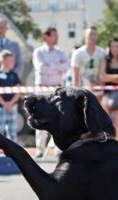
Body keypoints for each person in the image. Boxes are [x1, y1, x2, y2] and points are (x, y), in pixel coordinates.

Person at [32, 27, 69, 157]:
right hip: (42, 88)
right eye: (54, 35)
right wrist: (57, 68)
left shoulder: (61, 52)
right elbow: (41, 68)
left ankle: (58, 148)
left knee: (58, 119)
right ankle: (40, 149)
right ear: (46, 37)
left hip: (57, 88)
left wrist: (52, 68)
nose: (56, 37)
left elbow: (66, 66)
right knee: (40, 118)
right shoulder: (38, 52)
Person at [100, 38, 118, 143]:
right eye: (112, 46)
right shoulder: (105, 60)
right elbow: (102, 77)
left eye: (117, 46)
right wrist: (116, 77)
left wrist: (110, 77)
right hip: (107, 94)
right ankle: (107, 144)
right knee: (106, 121)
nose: (115, 48)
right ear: (109, 48)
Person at [0, 50, 21, 143]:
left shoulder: (14, 75)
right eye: (10, 60)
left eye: (13, 60)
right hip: (0, 107)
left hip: (12, 107)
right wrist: (4, 104)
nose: (13, 63)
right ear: (3, 60)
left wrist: (10, 104)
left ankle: (13, 154)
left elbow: (18, 91)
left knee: (12, 132)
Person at [71, 26, 105, 100]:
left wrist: (102, 89)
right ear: (85, 36)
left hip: (97, 90)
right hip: (82, 90)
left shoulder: (102, 52)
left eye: (94, 34)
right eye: (90, 34)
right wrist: (75, 92)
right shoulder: (78, 53)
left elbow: (103, 73)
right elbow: (75, 75)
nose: (92, 37)